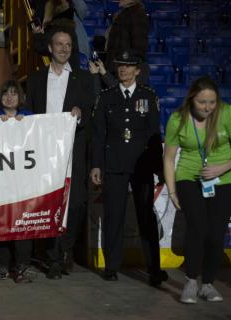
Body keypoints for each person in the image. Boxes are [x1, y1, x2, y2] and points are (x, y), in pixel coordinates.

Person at [90, 50, 167, 286]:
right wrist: (96, 164)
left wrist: (159, 168)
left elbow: (155, 135)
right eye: (119, 65)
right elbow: (98, 135)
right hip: (114, 165)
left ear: (137, 70)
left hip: (142, 166)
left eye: (128, 65)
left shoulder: (148, 95)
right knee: (114, 217)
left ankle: (154, 269)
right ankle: (112, 267)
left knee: (146, 217)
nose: (123, 69)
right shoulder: (106, 96)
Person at [26, 24, 94, 279]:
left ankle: (66, 248)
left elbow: (90, 111)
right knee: (49, 204)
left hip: (72, 150)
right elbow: (28, 113)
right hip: (43, 152)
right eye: (59, 44)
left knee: (75, 203)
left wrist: (81, 113)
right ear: (50, 48)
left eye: (68, 45)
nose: (64, 49)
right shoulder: (35, 79)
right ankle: (53, 256)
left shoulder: (84, 79)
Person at [164, 76, 231, 303]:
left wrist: (220, 168)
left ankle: (209, 284)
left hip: (223, 179)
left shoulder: (226, 114)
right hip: (189, 177)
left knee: (215, 233)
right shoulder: (177, 119)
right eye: (203, 102)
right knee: (198, 228)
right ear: (192, 98)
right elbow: (169, 158)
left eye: (212, 102)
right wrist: (172, 191)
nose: (208, 107)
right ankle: (191, 281)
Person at [0, 80, 36, 283]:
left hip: (24, 184)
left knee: (23, 224)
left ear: (20, 98)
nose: (9, 97)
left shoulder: (31, 119)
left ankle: (22, 266)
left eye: (14, 94)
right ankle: (2, 264)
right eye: (6, 93)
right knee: (0, 224)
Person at [104, 0, 150, 83]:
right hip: (118, 69)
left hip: (126, 73)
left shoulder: (136, 14)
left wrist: (127, 67)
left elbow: (139, 47)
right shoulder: (125, 13)